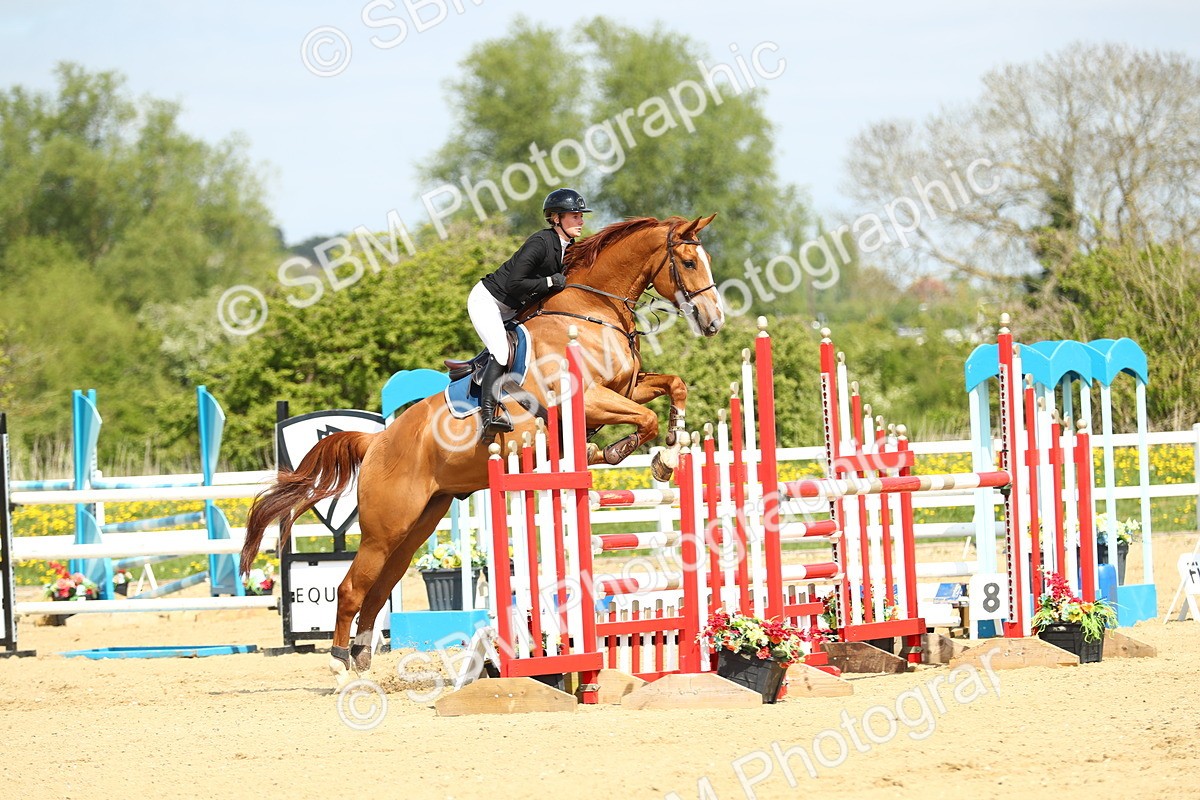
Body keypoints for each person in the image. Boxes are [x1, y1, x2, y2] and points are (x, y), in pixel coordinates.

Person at [467, 187, 591, 439]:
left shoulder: (568, 246)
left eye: (580, 215)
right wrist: (549, 282)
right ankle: (488, 418)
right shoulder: (540, 242)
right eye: (574, 215)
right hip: (488, 301)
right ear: (556, 218)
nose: (581, 220)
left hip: (512, 307)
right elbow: (514, 283)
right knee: (501, 352)